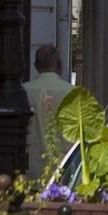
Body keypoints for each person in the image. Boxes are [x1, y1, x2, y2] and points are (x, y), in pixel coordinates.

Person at [25, 44, 74, 180]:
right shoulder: (72, 93)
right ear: (59, 65)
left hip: (31, 170)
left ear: (35, 65)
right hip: (64, 168)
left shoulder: (24, 91)